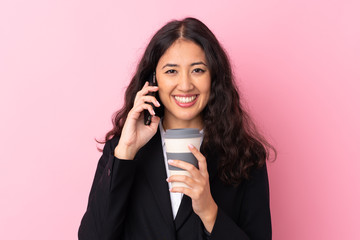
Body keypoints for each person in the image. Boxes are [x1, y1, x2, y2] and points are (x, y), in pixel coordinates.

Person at [78, 17, 275, 240]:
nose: (185, 85)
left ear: (214, 77)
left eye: (198, 70)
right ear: (153, 79)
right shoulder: (122, 149)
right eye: (171, 71)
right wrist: (126, 152)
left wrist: (210, 212)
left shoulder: (246, 157)